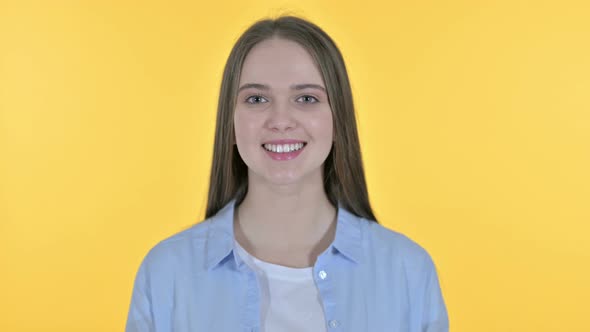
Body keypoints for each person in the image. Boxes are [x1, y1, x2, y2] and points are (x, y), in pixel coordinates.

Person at [126, 15, 449, 332]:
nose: (281, 120)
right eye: (257, 99)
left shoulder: (407, 270)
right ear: (231, 123)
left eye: (306, 98)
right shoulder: (166, 273)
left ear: (339, 120)